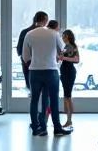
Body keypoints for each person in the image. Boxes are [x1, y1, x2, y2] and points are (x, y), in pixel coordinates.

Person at [21, 10, 70, 138]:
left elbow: (25, 56)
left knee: (34, 100)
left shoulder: (29, 34)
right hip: (51, 71)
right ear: (46, 20)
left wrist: (34, 62)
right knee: (52, 100)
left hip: (35, 72)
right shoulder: (53, 34)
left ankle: (37, 128)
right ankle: (57, 128)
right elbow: (63, 49)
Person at [15, 17, 36, 126]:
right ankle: (40, 119)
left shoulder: (25, 32)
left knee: (33, 93)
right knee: (42, 94)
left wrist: (25, 60)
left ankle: (34, 120)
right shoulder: (41, 34)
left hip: (27, 66)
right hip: (39, 67)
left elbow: (19, 50)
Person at [59, 29, 80, 129]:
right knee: (66, 96)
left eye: (63, 36)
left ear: (67, 36)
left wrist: (64, 58)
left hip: (69, 73)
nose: (62, 38)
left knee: (67, 96)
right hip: (65, 72)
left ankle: (69, 120)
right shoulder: (66, 47)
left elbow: (77, 59)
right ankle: (68, 120)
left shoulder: (72, 46)